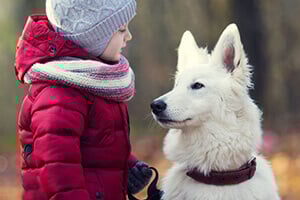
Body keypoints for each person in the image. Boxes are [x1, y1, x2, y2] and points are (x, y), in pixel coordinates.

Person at [15, 0, 153, 199]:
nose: (128, 37)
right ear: (91, 37)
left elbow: (95, 145)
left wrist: (127, 166)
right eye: (121, 30)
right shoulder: (59, 96)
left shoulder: (92, 83)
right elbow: (58, 171)